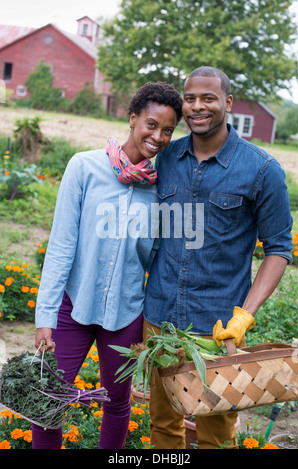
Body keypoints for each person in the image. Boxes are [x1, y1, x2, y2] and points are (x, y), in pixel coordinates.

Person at [143, 66, 293, 449]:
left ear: (227, 102)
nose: (197, 107)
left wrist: (245, 316)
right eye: (190, 98)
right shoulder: (168, 157)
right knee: (163, 425)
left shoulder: (261, 169)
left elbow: (279, 249)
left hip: (217, 328)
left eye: (208, 98)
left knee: (216, 435)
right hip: (160, 322)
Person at [32, 81, 183, 450]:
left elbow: (161, 258)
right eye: (151, 124)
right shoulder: (84, 167)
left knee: (117, 402)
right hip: (73, 307)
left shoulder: (164, 187)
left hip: (126, 312)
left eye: (168, 130)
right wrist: (45, 316)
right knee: (48, 400)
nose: (158, 136)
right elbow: (61, 245)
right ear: (132, 119)